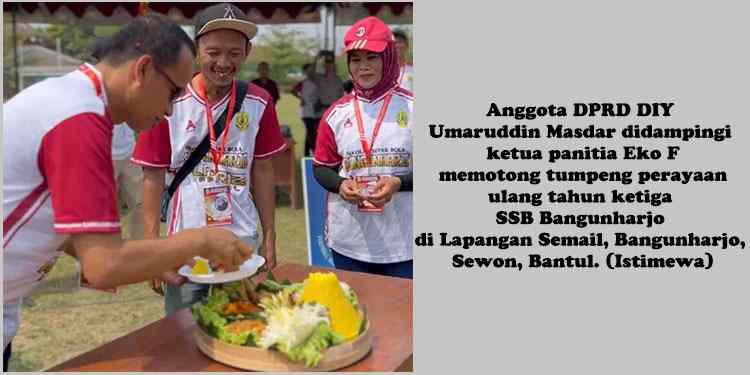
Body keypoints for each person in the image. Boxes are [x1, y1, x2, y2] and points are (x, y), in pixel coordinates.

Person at [2, 14, 252, 371]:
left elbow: (59, 226)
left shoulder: (72, 100)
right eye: (174, 92)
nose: (169, 111)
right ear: (143, 70)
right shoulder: (78, 118)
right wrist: (200, 241)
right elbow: (103, 266)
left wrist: (156, 256)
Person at [132, 3, 286, 316]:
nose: (224, 62)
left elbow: (263, 169)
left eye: (234, 53)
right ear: (196, 50)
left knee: (240, 326)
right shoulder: (168, 96)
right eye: (214, 52)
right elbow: (152, 175)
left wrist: (269, 234)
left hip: (241, 246)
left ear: (248, 51)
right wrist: (152, 249)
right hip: (185, 248)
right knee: (183, 338)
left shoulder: (259, 101)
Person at [312, 16, 414, 279]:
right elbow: (322, 167)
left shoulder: (413, 107)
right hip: (351, 241)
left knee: (403, 318)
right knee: (355, 316)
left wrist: (398, 183)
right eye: (356, 59)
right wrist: (339, 185)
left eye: (372, 57)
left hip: (404, 243)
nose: (364, 67)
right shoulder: (335, 113)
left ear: (388, 58)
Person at [112, 123, 144, 240]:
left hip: (130, 151)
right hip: (103, 153)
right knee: (106, 211)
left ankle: (140, 249)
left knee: (141, 203)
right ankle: (108, 251)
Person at [291, 63, 323, 156]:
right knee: (310, 132)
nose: (311, 71)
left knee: (314, 132)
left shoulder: (319, 82)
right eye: (309, 70)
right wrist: (301, 98)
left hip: (317, 112)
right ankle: (311, 152)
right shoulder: (303, 83)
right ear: (305, 72)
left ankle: (310, 152)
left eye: (312, 69)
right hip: (306, 112)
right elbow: (293, 90)